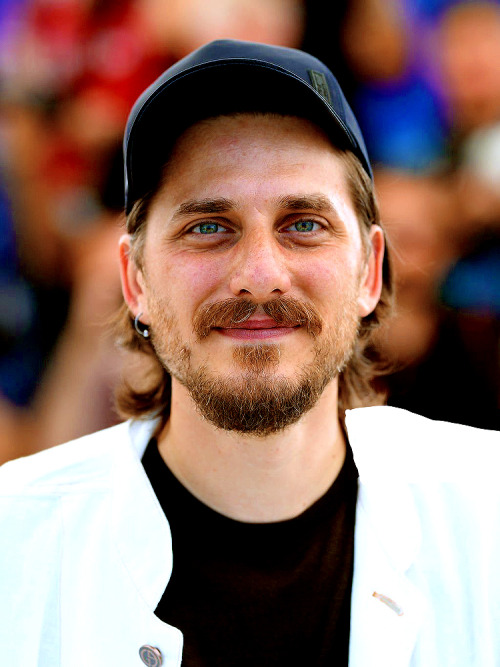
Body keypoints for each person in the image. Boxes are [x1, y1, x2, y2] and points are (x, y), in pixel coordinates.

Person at [1, 39, 499, 667]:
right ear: (136, 283)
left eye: (303, 224)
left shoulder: (488, 520)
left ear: (370, 271)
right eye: (208, 227)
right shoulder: (14, 551)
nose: (260, 274)